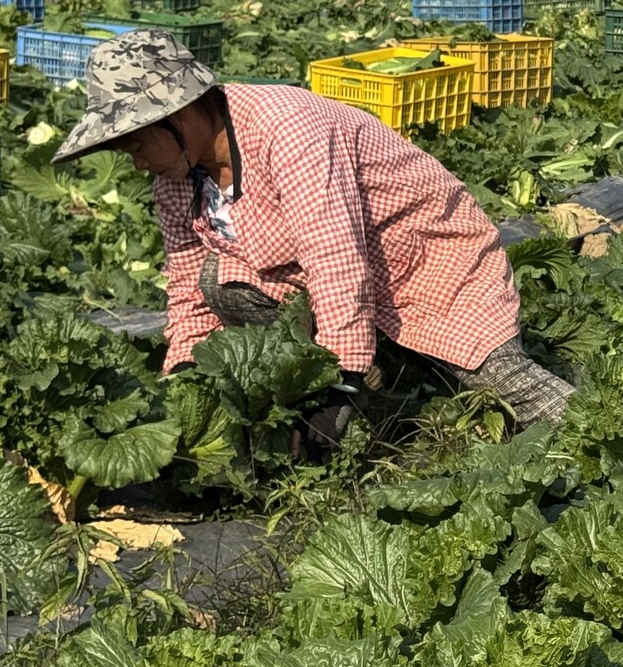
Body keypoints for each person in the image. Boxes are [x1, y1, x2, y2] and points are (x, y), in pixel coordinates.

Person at [52, 30, 574, 436]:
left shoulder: (287, 127)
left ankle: (614, 433)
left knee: (508, 389)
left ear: (179, 114)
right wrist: (183, 378)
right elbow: (188, 288)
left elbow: (334, 254)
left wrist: (339, 380)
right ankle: (382, 383)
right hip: (326, 284)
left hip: (427, 267)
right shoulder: (176, 179)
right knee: (218, 282)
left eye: (136, 145)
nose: (137, 163)